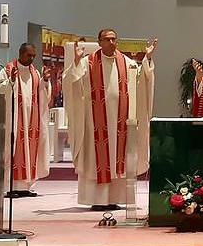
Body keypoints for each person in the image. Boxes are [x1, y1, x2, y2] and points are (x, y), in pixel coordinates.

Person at [63, 29, 157, 211]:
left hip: (120, 124)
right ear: (99, 42)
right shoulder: (87, 63)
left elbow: (143, 79)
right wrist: (75, 62)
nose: (112, 42)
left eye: (114, 39)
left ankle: (115, 198)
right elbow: (71, 82)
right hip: (95, 123)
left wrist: (148, 59)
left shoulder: (127, 63)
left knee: (118, 159)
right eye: (107, 39)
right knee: (97, 157)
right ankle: (97, 200)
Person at [0, 43, 52, 197]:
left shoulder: (35, 73)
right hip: (14, 119)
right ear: (20, 53)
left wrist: (45, 81)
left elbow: (44, 95)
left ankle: (25, 186)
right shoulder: (8, 69)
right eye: (28, 55)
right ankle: (10, 187)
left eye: (33, 55)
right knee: (12, 151)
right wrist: (11, 81)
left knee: (30, 151)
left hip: (32, 121)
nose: (31, 58)